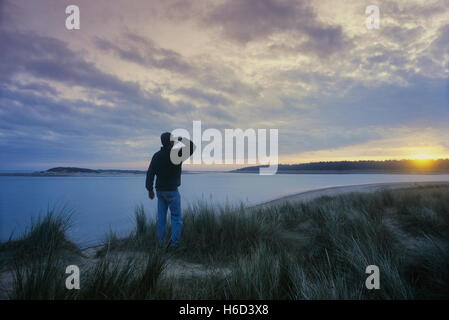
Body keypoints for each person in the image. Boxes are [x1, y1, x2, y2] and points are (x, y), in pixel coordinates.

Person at [145, 132, 196, 248]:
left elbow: (150, 173)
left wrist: (150, 189)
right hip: (172, 191)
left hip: (160, 192)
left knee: (161, 219)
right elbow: (192, 146)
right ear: (172, 141)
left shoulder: (156, 156)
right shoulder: (177, 154)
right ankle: (174, 245)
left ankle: (162, 244)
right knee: (176, 218)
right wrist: (180, 138)